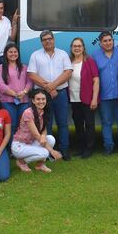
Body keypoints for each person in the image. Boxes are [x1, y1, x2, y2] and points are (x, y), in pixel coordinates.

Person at [27, 30, 73, 159]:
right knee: (46, 123)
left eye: (50, 38)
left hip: (61, 94)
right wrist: (48, 88)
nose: (48, 41)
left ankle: (65, 150)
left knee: (62, 122)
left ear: (53, 39)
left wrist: (53, 86)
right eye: (44, 39)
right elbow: (31, 74)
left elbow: (68, 72)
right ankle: (49, 152)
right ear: (41, 42)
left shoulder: (63, 54)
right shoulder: (35, 55)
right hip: (42, 96)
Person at [92, 31, 118, 155]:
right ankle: (108, 147)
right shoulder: (95, 56)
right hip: (104, 96)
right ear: (100, 43)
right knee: (106, 123)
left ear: (113, 41)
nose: (108, 43)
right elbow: (93, 76)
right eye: (105, 41)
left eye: (110, 40)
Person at [11, 89, 63, 172]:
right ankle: (21, 162)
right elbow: (36, 135)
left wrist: (43, 135)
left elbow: (44, 129)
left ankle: (40, 165)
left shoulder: (43, 111)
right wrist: (52, 151)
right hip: (19, 145)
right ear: (33, 101)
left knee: (51, 139)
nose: (41, 101)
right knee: (45, 153)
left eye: (43, 99)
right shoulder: (28, 113)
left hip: (31, 142)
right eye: (38, 99)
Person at [69, 38, 99, 158]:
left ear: (83, 48)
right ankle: (81, 147)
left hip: (87, 98)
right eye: (75, 46)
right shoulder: (69, 61)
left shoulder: (89, 61)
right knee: (78, 124)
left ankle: (89, 148)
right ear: (72, 48)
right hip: (73, 98)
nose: (77, 48)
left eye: (79, 46)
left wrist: (94, 98)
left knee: (90, 124)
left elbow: (96, 80)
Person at [0, 43, 32, 137]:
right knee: (10, 125)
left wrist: (24, 92)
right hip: (7, 102)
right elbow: (0, 85)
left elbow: (30, 82)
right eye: (10, 52)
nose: (13, 54)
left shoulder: (24, 67)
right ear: (6, 54)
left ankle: (20, 147)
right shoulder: (0, 68)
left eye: (15, 52)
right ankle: (10, 148)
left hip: (23, 101)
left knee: (23, 125)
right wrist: (15, 94)